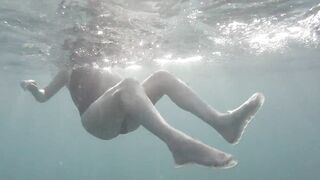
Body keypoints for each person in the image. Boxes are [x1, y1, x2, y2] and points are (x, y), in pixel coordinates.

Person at [20, 64, 264, 168]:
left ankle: (223, 123)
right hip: (95, 124)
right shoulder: (67, 71)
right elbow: (43, 96)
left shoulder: (106, 60)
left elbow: (129, 91)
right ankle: (177, 143)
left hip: (125, 118)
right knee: (127, 84)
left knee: (161, 77)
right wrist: (33, 87)